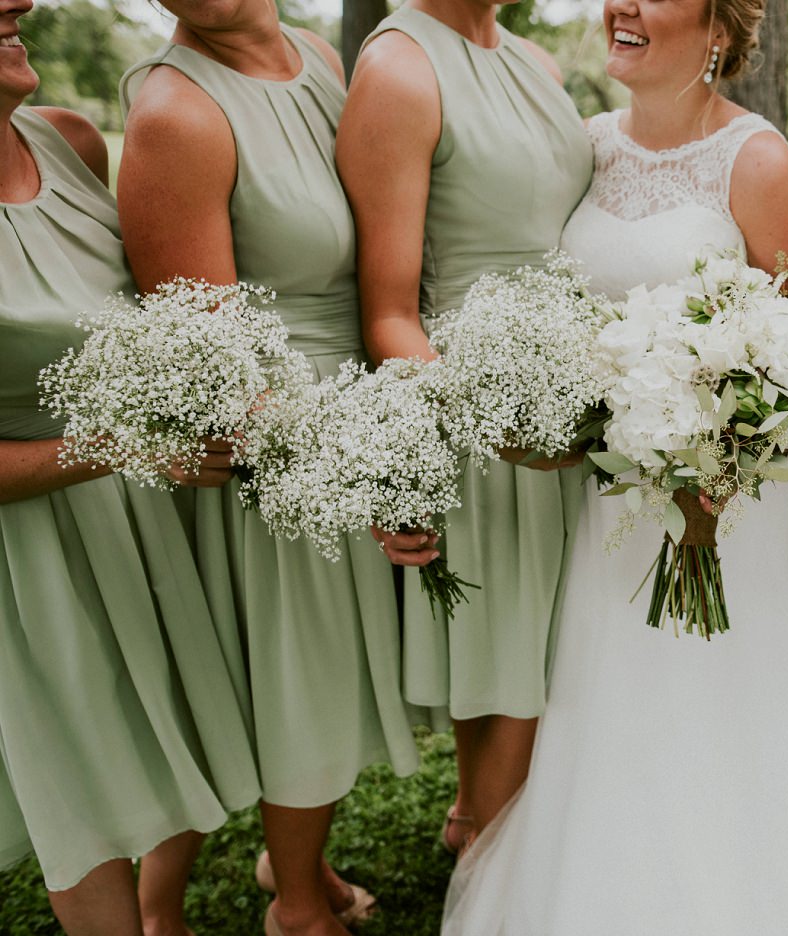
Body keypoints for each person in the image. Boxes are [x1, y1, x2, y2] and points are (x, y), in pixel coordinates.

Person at [438, 1, 788, 933]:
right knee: (613, 703)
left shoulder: (757, 160)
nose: (620, 4)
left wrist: (719, 455)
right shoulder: (585, 147)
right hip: (613, 498)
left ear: (717, 30)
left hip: (730, 509)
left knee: (731, 708)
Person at [119, 2, 420, 933]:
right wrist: (349, 466)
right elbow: (214, 361)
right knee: (302, 680)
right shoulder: (175, 115)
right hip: (272, 443)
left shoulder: (318, 59)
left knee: (315, 671)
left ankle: (296, 865)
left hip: (347, 398)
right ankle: (295, 907)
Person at [0, 1, 260, 933]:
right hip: (26, 556)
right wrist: (129, 446)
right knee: (83, 791)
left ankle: (165, 914)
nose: (20, 2)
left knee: (179, 723)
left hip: (143, 513)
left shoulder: (69, 141)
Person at [336, 0, 594, 856]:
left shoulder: (535, 64)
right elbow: (389, 314)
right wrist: (496, 422)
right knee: (511, 670)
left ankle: (478, 829)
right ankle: (496, 870)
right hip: (479, 417)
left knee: (546, 661)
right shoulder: (400, 72)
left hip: (569, 400)